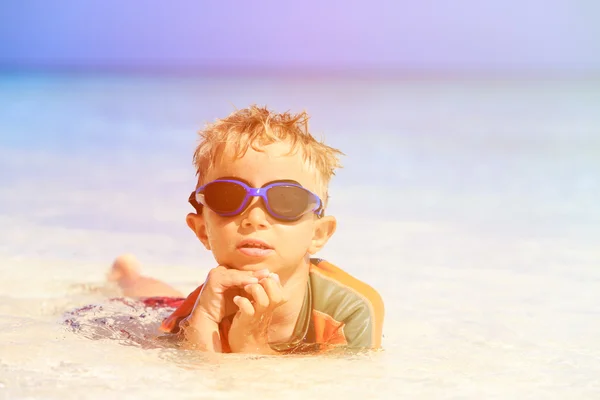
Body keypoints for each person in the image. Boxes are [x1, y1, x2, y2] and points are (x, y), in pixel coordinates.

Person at [109, 105, 384, 354]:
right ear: (202, 230)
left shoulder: (351, 309)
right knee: (147, 298)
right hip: (169, 305)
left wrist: (252, 345)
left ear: (318, 233)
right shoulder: (197, 310)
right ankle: (127, 274)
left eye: (286, 200)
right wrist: (202, 325)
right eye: (228, 197)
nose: (254, 218)